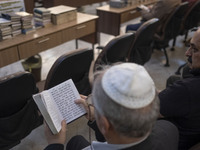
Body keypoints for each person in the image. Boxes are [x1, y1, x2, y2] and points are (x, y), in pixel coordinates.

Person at [44, 63, 179, 150]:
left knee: (75, 142)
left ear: (104, 124)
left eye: (92, 100)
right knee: (77, 141)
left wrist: (55, 144)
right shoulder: (169, 129)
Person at [159, 28, 200, 150]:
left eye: (195, 49)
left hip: (176, 142)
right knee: (173, 78)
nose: (187, 53)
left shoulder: (186, 89)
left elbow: (148, 110)